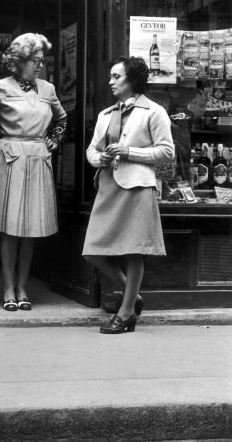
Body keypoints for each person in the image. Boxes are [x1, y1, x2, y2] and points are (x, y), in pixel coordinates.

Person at [0, 33, 67, 311]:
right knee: (10, 230)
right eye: (35, 61)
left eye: (42, 61)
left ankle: (22, 287)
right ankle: (8, 289)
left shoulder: (48, 89)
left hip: (38, 158)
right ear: (19, 62)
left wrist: (53, 141)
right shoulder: (1, 87)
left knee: (29, 229)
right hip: (10, 158)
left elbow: (61, 118)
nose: (40, 66)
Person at [83, 56, 175, 334]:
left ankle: (125, 314)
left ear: (132, 80)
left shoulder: (154, 112)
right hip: (109, 186)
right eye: (110, 76)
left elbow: (167, 153)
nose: (110, 81)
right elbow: (91, 149)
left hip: (137, 187)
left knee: (135, 252)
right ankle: (132, 297)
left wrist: (128, 152)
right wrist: (98, 159)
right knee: (93, 252)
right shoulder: (105, 114)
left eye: (116, 77)